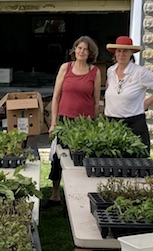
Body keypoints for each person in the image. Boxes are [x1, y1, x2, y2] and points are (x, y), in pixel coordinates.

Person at [48, 36, 101, 204]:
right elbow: (56, 98)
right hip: (64, 121)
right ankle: (55, 194)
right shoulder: (66, 68)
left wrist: (95, 125)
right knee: (58, 157)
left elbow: (95, 101)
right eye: (79, 48)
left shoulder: (95, 72)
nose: (82, 51)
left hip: (84, 123)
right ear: (74, 50)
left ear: (90, 52)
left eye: (85, 49)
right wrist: (53, 123)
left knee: (80, 159)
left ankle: (78, 193)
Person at [103, 36, 153, 152]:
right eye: (119, 51)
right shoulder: (111, 71)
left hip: (133, 123)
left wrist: (146, 102)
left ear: (131, 53)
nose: (121, 54)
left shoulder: (139, 72)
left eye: (125, 51)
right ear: (115, 53)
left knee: (135, 162)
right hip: (111, 123)